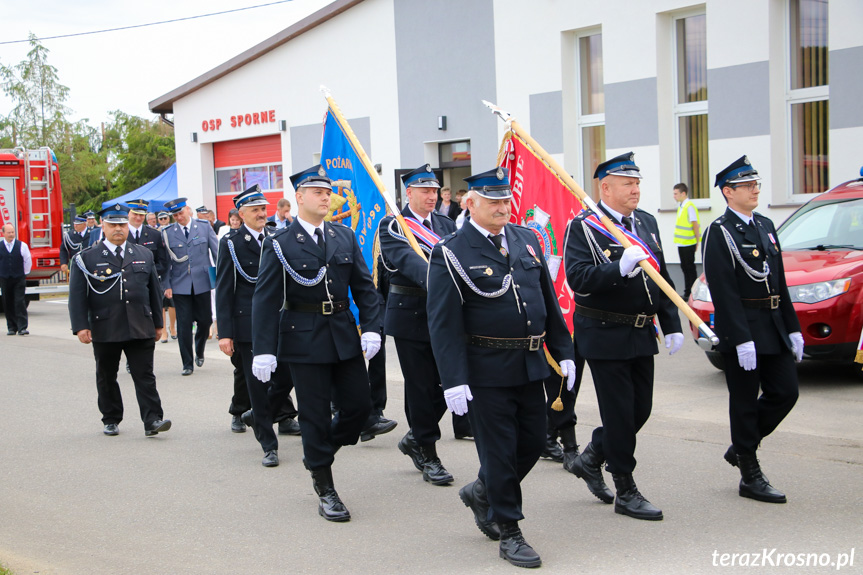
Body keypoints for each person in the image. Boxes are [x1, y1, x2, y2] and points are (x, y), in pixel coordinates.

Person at [427, 167, 575, 568]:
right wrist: (453, 379)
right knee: (499, 453)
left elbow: (547, 299)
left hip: (529, 363)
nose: (502, 207)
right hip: (485, 369)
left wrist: (563, 350)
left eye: (505, 200)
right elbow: (443, 323)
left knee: (531, 443)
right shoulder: (452, 252)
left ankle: (481, 492)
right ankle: (508, 528)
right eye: (492, 201)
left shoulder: (526, 239)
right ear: (469, 203)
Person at [252, 164, 381, 522]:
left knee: (358, 407)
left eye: (328, 193)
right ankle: (325, 487)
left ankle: (319, 451)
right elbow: (264, 299)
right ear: (300, 197)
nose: (326, 198)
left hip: (342, 333)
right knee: (314, 415)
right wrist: (263, 349)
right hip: (302, 337)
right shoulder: (279, 242)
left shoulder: (342, 235)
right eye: (318, 193)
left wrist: (371, 326)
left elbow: (364, 287)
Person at [564, 152, 683, 521]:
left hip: (640, 331)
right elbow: (579, 279)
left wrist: (672, 323)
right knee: (618, 413)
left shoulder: (645, 223)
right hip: (603, 331)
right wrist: (619, 267)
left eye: (637, 183)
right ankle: (625, 488)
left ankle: (593, 456)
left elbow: (659, 278)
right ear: (605, 187)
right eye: (628, 184)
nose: (635, 190)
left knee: (639, 410)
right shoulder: (584, 226)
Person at [702, 155, 801, 504]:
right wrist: (741, 338)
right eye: (746, 185)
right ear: (728, 192)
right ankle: (749, 471)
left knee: (786, 392)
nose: (754, 189)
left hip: (772, 325)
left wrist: (793, 327)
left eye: (755, 184)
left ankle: (742, 445)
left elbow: (780, 282)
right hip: (743, 328)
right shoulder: (720, 232)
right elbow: (723, 290)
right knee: (744, 402)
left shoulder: (765, 225)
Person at [378, 163, 456, 486]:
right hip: (411, 312)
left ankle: (415, 438)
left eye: (435, 190)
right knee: (422, 385)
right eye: (425, 190)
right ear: (408, 193)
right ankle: (428, 450)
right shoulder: (394, 225)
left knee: (448, 383)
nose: (432, 196)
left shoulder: (447, 224)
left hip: (445, 314)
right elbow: (409, 263)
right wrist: (441, 281)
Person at [68, 203, 171, 437]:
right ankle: (111, 417)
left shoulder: (143, 254)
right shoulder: (87, 258)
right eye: (113, 224)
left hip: (140, 324)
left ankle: (153, 419)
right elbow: (77, 296)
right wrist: (81, 326)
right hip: (106, 326)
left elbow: (153, 291)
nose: (118, 229)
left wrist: (158, 323)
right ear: (102, 226)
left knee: (145, 375)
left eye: (122, 224)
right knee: (106, 375)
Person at [216, 185, 299, 463]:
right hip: (248, 323)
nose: (262, 214)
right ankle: (268, 444)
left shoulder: (277, 237)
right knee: (256, 384)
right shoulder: (231, 243)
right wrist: (225, 332)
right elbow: (225, 289)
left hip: (281, 319)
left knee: (287, 375)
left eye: (264, 209)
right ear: (241, 213)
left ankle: (258, 414)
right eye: (256, 210)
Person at [161, 197, 219, 376]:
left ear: (188, 210)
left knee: (205, 321)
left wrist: (219, 278)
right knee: (184, 324)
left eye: (180, 212)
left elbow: (216, 253)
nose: (178, 217)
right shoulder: (168, 232)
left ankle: (199, 349)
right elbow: (165, 263)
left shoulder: (203, 226)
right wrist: (166, 284)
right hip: (180, 284)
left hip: (202, 281)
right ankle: (187, 363)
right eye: (175, 215)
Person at [1, 223, 32, 335]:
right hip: (5, 278)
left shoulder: (22, 245)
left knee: (19, 301)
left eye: (12, 232)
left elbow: (27, 260)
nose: (11, 234)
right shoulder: (0, 246)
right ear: (3, 233)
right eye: (8, 232)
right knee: (7, 302)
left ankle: (22, 327)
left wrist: (23, 273)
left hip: (19, 277)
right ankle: (11, 327)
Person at [125, 199, 168, 279]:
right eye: (135, 214)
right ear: (128, 213)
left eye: (141, 215)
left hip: (149, 281)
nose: (138, 217)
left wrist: (147, 272)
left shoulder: (155, 234)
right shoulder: (121, 235)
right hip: (127, 282)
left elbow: (162, 262)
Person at [672, 182, 701, 300]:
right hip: (682, 243)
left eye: (676, 193)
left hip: (689, 243)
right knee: (685, 267)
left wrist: (697, 241)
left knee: (690, 268)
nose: (674, 196)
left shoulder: (689, 206)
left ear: (683, 193)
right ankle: (687, 291)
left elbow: (695, 224)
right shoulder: (682, 206)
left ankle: (692, 293)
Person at [156, 211, 176, 342]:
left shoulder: (173, 230)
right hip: (161, 271)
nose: (163, 220)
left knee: (172, 302)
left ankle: (172, 327)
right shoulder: (156, 233)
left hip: (173, 269)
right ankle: (163, 331)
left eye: (165, 218)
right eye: (161, 218)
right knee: (161, 303)